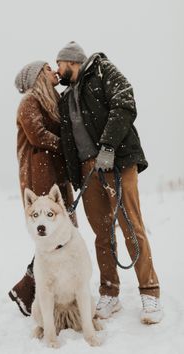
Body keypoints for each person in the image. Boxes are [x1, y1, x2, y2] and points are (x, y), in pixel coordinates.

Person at [56, 41, 163, 324]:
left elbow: (125, 103)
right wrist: (74, 175)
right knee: (102, 234)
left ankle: (150, 293)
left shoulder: (103, 71)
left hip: (116, 161)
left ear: (72, 62)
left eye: (60, 65)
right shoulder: (65, 98)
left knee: (131, 226)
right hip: (87, 170)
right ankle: (110, 292)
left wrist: (108, 146)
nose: (58, 71)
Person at [9, 60, 77, 316]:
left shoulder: (52, 101)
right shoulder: (29, 102)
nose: (53, 71)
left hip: (55, 176)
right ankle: (30, 289)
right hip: (39, 177)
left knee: (64, 233)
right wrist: (68, 146)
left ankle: (32, 290)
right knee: (52, 236)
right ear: (38, 76)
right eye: (47, 68)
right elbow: (38, 135)